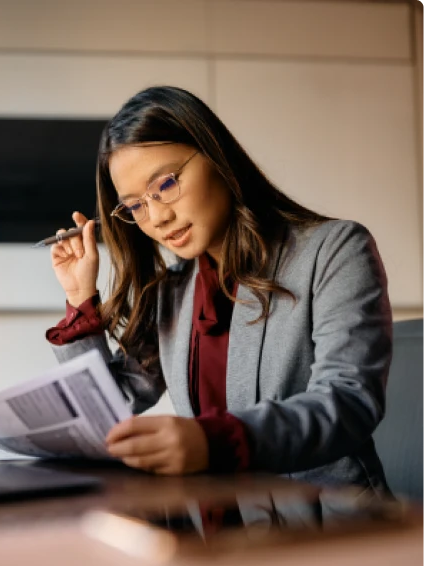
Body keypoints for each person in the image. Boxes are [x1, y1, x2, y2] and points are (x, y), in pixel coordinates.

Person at [46, 86, 392, 494]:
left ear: (216, 156)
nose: (157, 216)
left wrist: (214, 443)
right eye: (136, 205)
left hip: (324, 532)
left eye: (167, 183)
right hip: (208, 530)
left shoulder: (335, 250)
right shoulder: (173, 291)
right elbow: (112, 407)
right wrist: (78, 298)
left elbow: (348, 402)